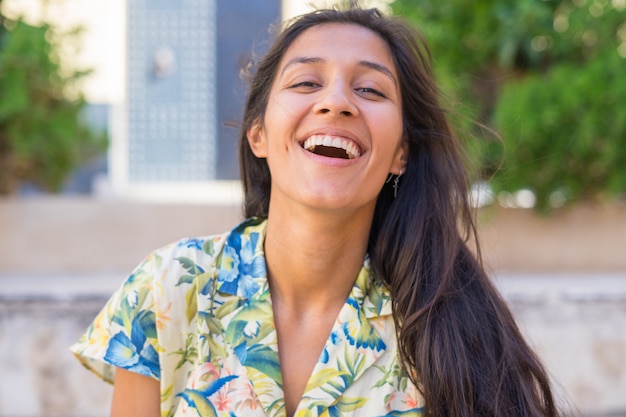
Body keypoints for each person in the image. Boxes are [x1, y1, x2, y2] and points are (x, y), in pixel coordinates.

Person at [71, 5, 563, 417]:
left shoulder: (448, 325)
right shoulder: (168, 289)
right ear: (258, 134)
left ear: (401, 154)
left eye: (369, 90)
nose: (337, 102)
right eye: (306, 82)